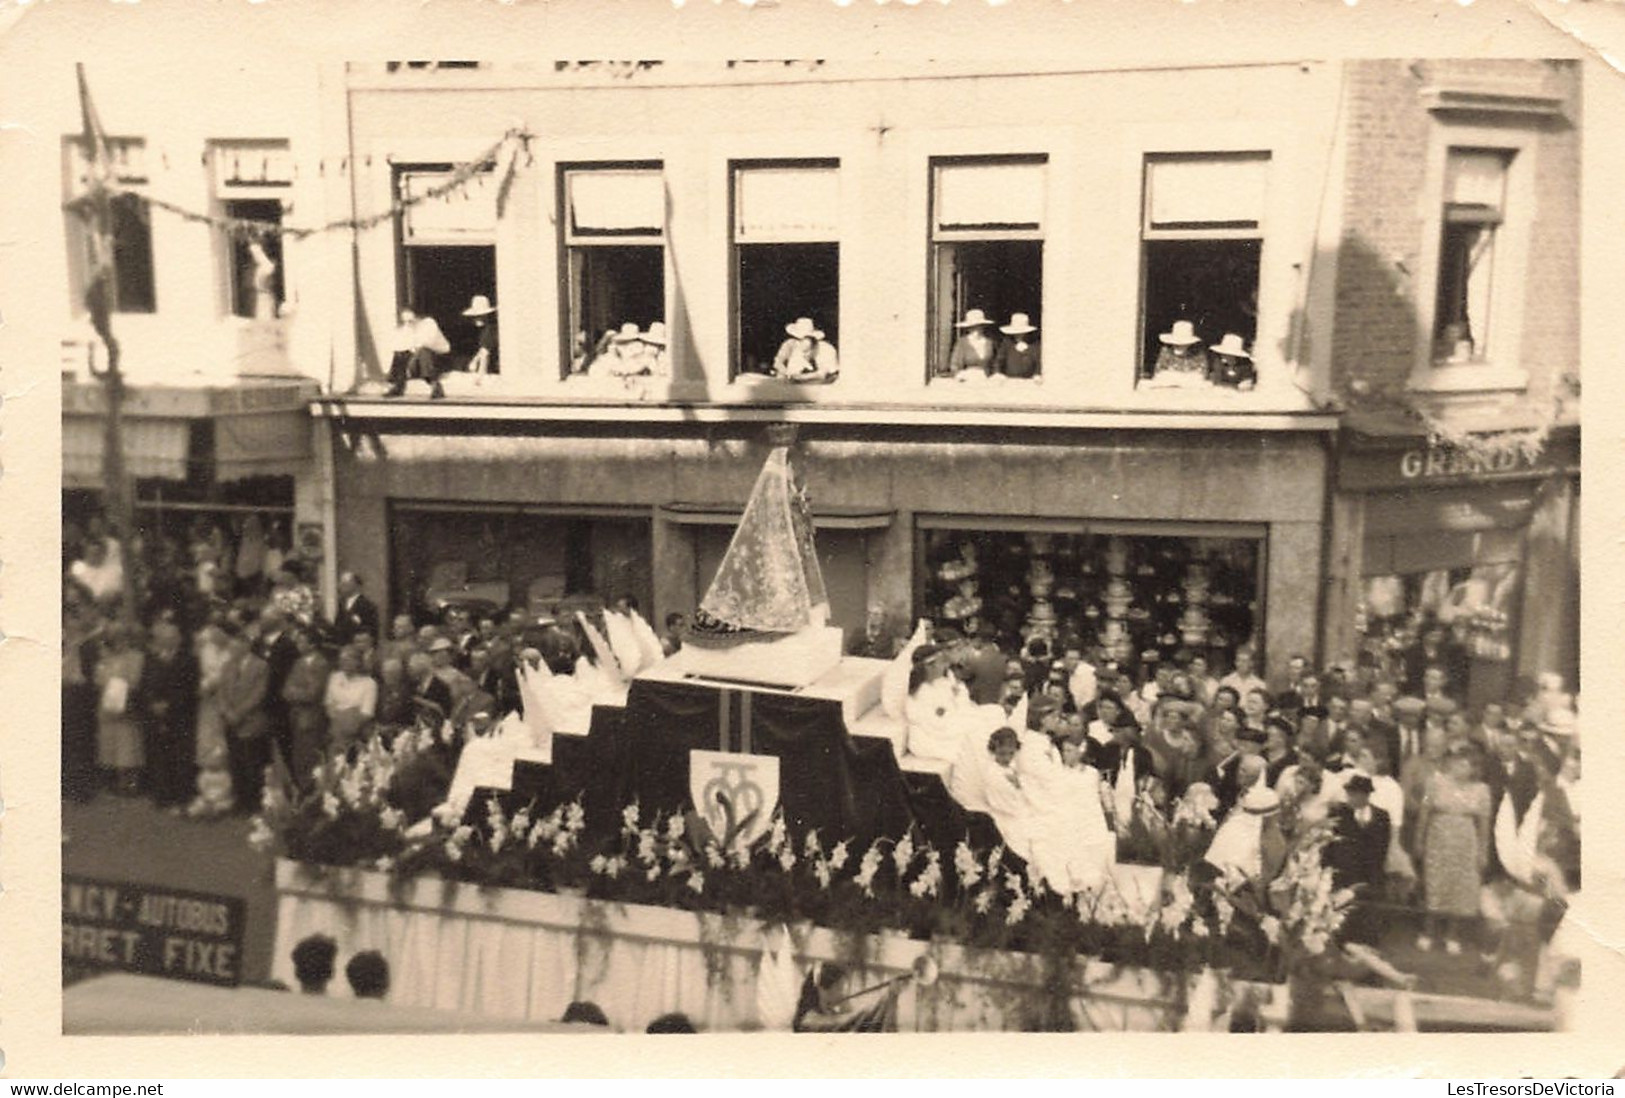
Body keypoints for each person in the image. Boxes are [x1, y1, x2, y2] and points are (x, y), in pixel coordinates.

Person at [1414, 745, 1491, 955]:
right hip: (1438, 839)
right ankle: (1428, 932)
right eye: (1458, 763)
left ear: (1474, 768)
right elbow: (1424, 812)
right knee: (1435, 884)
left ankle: (1452, 935)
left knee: (1461, 888)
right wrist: (1419, 840)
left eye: (1467, 765)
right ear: (1451, 763)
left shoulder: (1481, 790)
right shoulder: (1436, 782)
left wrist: (1483, 851)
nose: (1461, 768)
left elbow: (1484, 824)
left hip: (1466, 842)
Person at [136, 620, 200, 811]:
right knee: (159, 756)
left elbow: (190, 689)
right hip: (155, 716)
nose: (170, 641)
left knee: (180, 756)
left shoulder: (189, 660)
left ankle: (182, 796)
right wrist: (151, 704)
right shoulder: (151, 659)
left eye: (174, 637)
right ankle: (162, 795)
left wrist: (169, 705)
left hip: (180, 716)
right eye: (165, 638)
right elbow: (144, 684)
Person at [1324, 774, 1392, 946]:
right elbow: (1328, 847)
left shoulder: (1382, 817)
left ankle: (1367, 944)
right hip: (1343, 874)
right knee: (1342, 918)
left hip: (1369, 874)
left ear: (1366, 795)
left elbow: (1382, 850)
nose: (1350, 798)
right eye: (1349, 794)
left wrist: (1372, 878)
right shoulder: (1338, 814)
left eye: (1354, 794)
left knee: (1366, 915)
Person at [217, 624, 271, 813]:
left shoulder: (261, 666)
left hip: (251, 721)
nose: (233, 650)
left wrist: (239, 713)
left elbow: (259, 693)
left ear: (246, 646)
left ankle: (254, 802)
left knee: (253, 763)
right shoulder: (227, 666)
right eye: (232, 647)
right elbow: (221, 692)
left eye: (236, 647)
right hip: (231, 722)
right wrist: (227, 712)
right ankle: (239, 800)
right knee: (236, 762)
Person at [95, 620, 147, 796]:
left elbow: (135, 680)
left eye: (121, 638)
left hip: (127, 706)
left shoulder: (136, 656)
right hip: (108, 707)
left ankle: (130, 783)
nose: (118, 642)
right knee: (111, 743)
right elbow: (99, 679)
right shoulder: (105, 658)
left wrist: (121, 692)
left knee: (128, 744)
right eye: (114, 638)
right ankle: (114, 781)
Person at [281, 626, 331, 790]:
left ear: (312, 644)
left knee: (310, 756)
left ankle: (312, 792)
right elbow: (286, 690)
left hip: (311, 718)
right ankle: (302, 791)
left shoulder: (321, 664)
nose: (298, 644)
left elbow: (312, 694)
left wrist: (296, 692)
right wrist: (297, 692)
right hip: (296, 716)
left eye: (302, 641)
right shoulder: (298, 662)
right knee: (299, 756)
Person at [324, 645, 378, 758]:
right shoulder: (335, 677)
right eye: (341, 659)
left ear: (357, 662)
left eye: (347, 660)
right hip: (335, 729)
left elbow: (367, 713)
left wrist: (348, 725)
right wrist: (338, 722)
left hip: (357, 730)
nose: (342, 663)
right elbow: (329, 703)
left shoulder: (369, 683)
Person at [385, 308, 451, 398]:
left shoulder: (428, 324)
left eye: (411, 321)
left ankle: (435, 386)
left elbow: (426, 343)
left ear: (418, 318)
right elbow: (399, 345)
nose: (408, 324)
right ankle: (398, 385)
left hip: (439, 358)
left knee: (424, 352)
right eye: (405, 321)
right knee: (400, 353)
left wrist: (413, 357)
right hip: (419, 360)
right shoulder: (407, 328)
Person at [772, 317, 840, 382]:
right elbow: (778, 362)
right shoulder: (790, 344)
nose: (799, 342)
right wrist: (787, 373)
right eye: (798, 338)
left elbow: (824, 374)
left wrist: (800, 377)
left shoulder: (826, 349)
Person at [1147, 319, 1208, 387]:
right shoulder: (1166, 351)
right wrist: (1186, 378)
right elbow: (1158, 375)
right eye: (1176, 343)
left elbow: (1200, 378)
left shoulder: (1198, 353)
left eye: (1182, 343)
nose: (1178, 346)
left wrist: (1172, 376)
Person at [945, 308, 998, 380]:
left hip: (986, 381)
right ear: (968, 328)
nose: (976, 330)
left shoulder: (989, 342)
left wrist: (995, 375)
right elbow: (955, 365)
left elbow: (995, 364)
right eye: (972, 327)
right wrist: (960, 375)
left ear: (983, 327)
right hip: (967, 381)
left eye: (979, 326)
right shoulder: (962, 343)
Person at [332, 571, 379, 648]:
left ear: (356, 585)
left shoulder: (367, 605)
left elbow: (372, 630)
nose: (341, 586)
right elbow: (337, 625)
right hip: (341, 646)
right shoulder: (341, 604)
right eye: (341, 583)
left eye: (345, 583)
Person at [992, 313, 1040, 380]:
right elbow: (999, 360)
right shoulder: (1007, 342)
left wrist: (1037, 374)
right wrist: (997, 372)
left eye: (1021, 332)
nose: (1018, 334)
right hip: (1010, 380)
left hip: (1029, 381)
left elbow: (1038, 362)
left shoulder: (1033, 344)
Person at [463, 294, 500, 376]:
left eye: (480, 316)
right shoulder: (486, 329)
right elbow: (484, 348)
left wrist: (481, 374)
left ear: (486, 315)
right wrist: (475, 360)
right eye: (475, 316)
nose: (476, 319)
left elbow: (485, 354)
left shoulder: (490, 331)